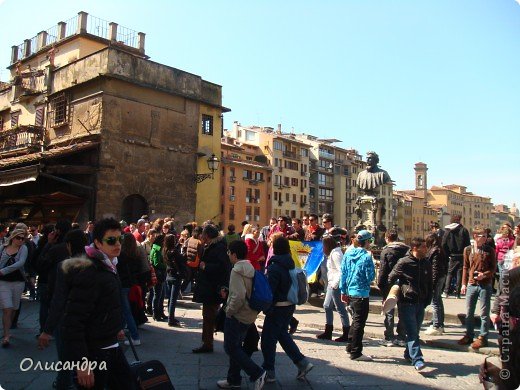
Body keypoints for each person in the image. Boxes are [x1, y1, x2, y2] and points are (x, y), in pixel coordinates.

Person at [60, 218, 136, 389]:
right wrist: (82, 363)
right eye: (111, 240)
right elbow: (73, 321)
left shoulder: (109, 265)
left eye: (120, 239)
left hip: (111, 345)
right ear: (98, 243)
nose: (117, 244)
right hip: (95, 352)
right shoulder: (91, 271)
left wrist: (115, 327)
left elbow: (105, 305)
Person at [38, 229, 87, 390]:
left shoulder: (64, 266)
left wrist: (47, 330)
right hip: (88, 318)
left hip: (67, 319)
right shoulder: (96, 264)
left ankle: (63, 382)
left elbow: (58, 299)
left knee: (65, 356)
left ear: (69, 245)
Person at [261, 235, 313, 383]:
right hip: (289, 306)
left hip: (277, 308)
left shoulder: (275, 267)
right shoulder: (290, 264)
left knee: (267, 340)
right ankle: (302, 363)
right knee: (282, 335)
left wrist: (265, 307)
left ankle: (269, 371)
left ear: (275, 249)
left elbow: (270, 291)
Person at [217, 240, 266, 389]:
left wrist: (229, 311)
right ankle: (233, 379)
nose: (228, 255)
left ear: (234, 254)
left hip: (238, 315)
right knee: (236, 347)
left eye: (229, 252)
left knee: (230, 347)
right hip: (249, 313)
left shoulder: (237, 270)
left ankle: (256, 372)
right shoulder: (250, 266)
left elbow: (238, 296)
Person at [388, 237, 432, 371]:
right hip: (407, 302)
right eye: (423, 247)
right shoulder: (404, 262)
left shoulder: (426, 263)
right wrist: (400, 288)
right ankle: (418, 359)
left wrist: (428, 298)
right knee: (412, 331)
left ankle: (408, 354)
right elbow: (391, 277)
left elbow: (430, 282)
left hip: (421, 301)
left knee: (415, 331)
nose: (426, 249)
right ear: (415, 248)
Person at [192, 224, 230, 353]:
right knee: (208, 316)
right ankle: (207, 342)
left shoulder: (218, 247)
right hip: (209, 286)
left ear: (207, 236)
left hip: (212, 288)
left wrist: (205, 266)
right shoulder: (213, 245)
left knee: (209, 316)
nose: (201, 236)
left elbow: (222, 267)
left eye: (203, 234)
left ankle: (207, 344)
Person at [458, 226, 497, 350]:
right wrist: (463, 284)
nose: (485, 238)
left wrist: (483, 275)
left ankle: (483, 337)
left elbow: (493, 268)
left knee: (484, 313)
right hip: (471, 284)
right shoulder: (468, 250)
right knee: (469, 313)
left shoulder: (489, 250)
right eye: (482, 236)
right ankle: (469, 335)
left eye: (485, 236)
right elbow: (465, 267)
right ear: (475, 236)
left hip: (485, 284)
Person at [339, 230, 376, 361]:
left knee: (355, 320)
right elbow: (370, 276)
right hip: (361, 293)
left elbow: (343, 273)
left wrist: (343, 291)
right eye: (370, 241)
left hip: (349, 291)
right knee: (359, 323)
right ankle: (356, 352)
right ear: (366, 242)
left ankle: (350, 346)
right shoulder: (367, 256)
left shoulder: (348, 254)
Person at [376, 229, 408, 346]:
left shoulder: (386, 251)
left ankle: (389, 337)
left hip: (390, 283)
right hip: (404, 283)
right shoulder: (406, 250)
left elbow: (383, 270)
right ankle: (401, 336)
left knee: (389, 309)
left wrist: (380, 284)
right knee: (402, 310)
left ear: (387, 238)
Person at [316, 236, 350, 342]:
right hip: (332, 283)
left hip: (336, 284)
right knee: (327, 305)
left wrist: (336, 284)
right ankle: (328, 330)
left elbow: (341, 270)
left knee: (340, 308)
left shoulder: (336, 254)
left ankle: (346, 333)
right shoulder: (333, 253)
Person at [0, 228, 28, 347]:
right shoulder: (2, 248)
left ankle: (8, 329)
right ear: (13, 237)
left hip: (18, 282)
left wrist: (3, 271)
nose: (21, 240)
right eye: (18, 238)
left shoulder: (23, 248)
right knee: (7, 308)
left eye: (23, 238)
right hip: (3, 282)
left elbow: (21, 263)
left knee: (14, 308)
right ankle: (6, 335)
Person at [116, 233, 143, 345]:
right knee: (124, 310)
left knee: (126, 311)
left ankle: (135, 337)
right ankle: (120, 333)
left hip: (123, 283)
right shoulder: (136, 253)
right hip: (131, 283)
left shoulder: (121, 255)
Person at [424, 233, 448, 336]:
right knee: (438, 300)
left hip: (436, 278)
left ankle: (437, 325)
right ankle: (439, 323)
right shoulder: (439, 249)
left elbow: (434, 269)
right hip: (441, 277)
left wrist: (431, 283)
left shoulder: (435, 251)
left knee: (435, 302)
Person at [442, 215, 471, 299]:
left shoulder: (448, 230)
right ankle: (457, 294)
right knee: (459, 273)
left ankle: (446, 292)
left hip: (452, 255)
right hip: (462, 255)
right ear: (459, 221)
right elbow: (468, 244)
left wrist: (447, 254)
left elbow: (443, 244)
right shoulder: (464, 230)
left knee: (450, 273)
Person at [163, 234, 186, 327]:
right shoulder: (175, 252)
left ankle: (170, 316)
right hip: (175, 276)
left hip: (169, 274)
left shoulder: (165, 250)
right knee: (173, 299)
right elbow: (181, 260)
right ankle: (171, 318)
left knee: (170, 298)